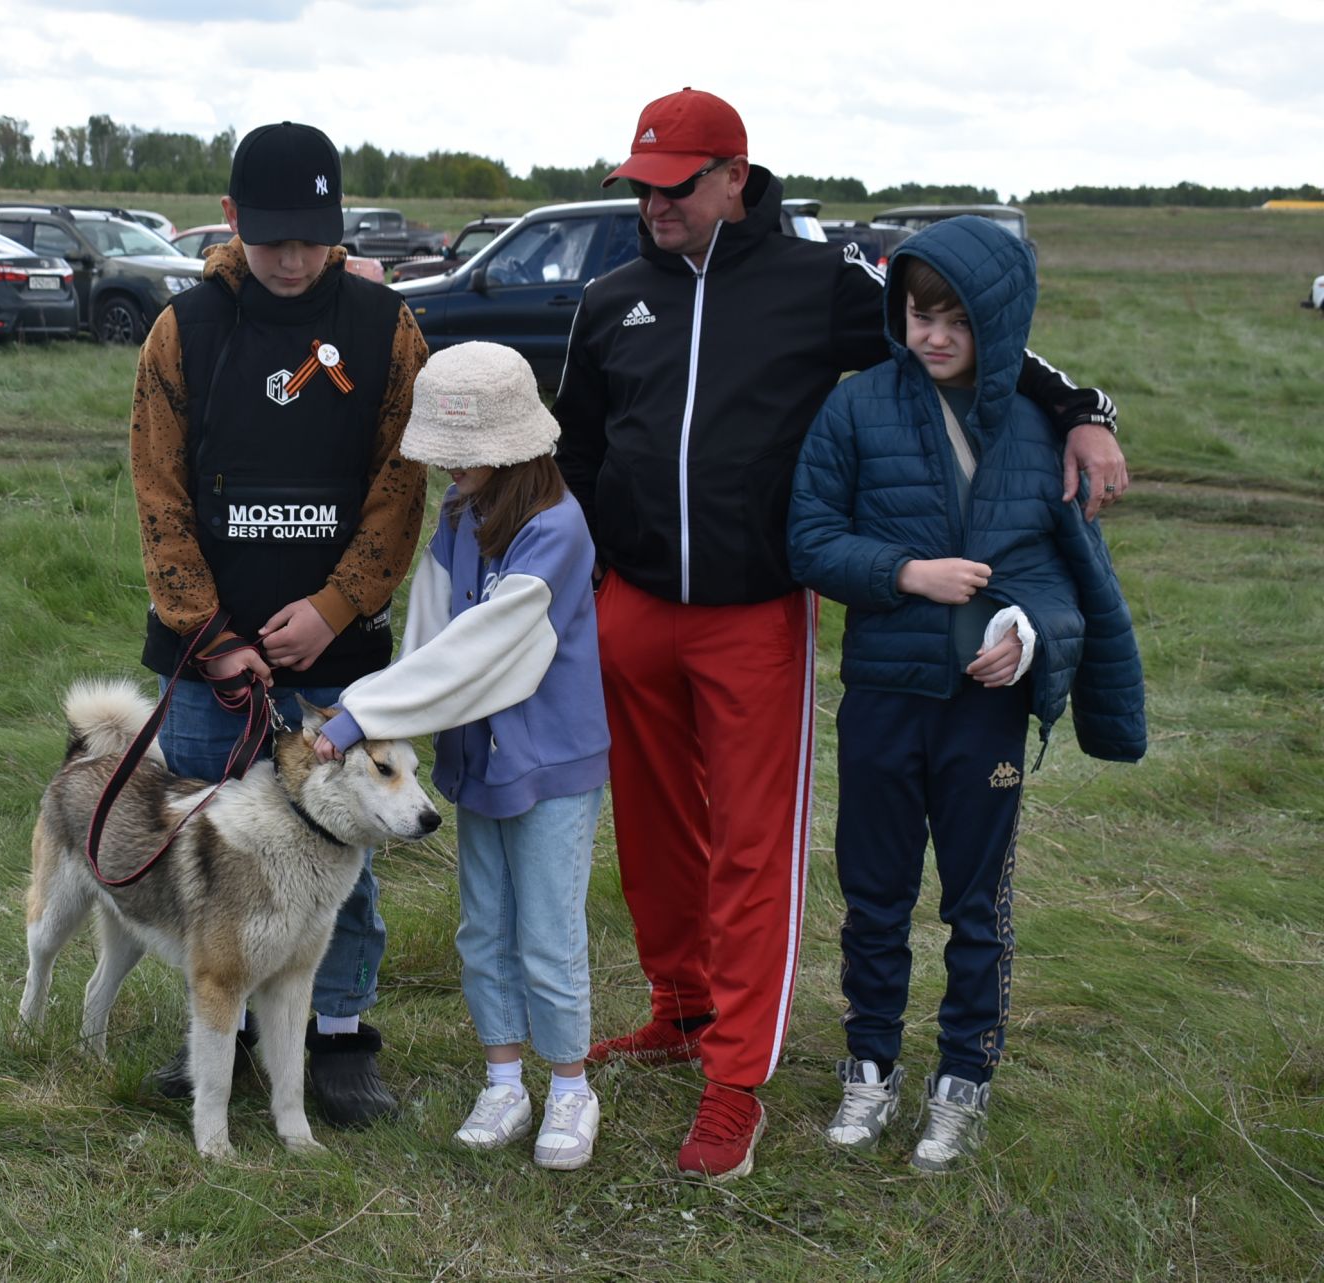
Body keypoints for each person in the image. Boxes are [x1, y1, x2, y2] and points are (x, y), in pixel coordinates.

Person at [552, 87, 1132, 1180]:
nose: (655, 204)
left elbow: (960, 333)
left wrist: (1084, 407)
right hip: (632, 605)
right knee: (655, 827)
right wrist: (601, 563)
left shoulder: (821, 286)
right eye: (642, 184)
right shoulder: (612, 295)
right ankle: (679, 1006)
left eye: (677, 186)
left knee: (753, 842)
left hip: (756, 609)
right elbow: (579, 444)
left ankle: (736, 1079)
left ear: (734, 177)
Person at [787, 216, 1146, 1171]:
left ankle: (962, 1080)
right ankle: (869, 1068)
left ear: (996, 321)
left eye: (954, 317)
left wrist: (1026, 632)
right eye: (917, 313)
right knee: (873, 895)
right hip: (884, 696)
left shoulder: (1040, 433)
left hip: (985, 711)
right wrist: (908, 572)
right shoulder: (856, 410)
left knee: (976, 903)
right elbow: (809, 539)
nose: (934, 334)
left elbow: (1066, 579)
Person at [127, 120, 429, 1127]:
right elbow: (158, 490)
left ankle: (335, 1033)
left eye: (311, 237)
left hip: (336, 662)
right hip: (209, 658)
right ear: (229, 221)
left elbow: (399, 486)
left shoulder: (387, 328)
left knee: (338, 857)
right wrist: (209, 632)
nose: (293, 258)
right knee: (212, 845)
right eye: (272, 239)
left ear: (335, 227)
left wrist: (337, 604)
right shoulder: (183, 331)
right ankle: (219, 1026)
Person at [312, 342, 613, 1169]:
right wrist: (389, 734)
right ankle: (505, 1079)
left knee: (547, 932)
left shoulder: (558, 530)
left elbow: (480, 649)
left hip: (550, 766)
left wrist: (357, 713)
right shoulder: (458, 516)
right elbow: (430, 633)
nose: (448, 473)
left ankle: (571, 1087)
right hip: (479, 761)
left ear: (507, 451)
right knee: (484, 927)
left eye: (461, 460)